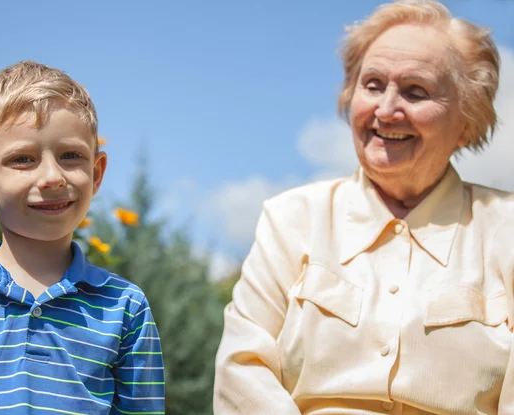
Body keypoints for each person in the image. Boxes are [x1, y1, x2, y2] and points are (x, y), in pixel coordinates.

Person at [214, 1, 514, 414]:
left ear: (467, 121)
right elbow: (242, 369)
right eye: (372, 85)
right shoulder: (291, 219)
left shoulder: (506, 229)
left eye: (415, 91)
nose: (386, 110)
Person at [0, 61, 165, 414]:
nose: (52, 176)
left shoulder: (124, 306)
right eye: (23, 159)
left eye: (70, 156)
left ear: (96, 173)